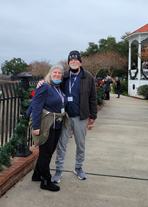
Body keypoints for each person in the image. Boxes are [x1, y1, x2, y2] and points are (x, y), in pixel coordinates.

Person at [38, 50, 97, 183]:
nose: (73, 62)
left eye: (76, 60)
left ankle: (78, 167)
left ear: (80, 62)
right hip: (64, 117)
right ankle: (59, 170)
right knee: (62, 144)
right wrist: (41, 82)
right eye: (71, 60)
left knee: (80, 144)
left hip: (81, 117)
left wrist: (93, 115)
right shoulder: (63, 76)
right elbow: (51, 82)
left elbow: (93, 98)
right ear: (68, 62)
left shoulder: (88, 77)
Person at [27, 65, 68, 192]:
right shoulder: (45, 86)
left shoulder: (59, 88)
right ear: (50, 74)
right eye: (54, 72)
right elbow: (36, 106)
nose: (57, 74)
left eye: (59, 73)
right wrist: (36, 127)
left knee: (49, 152)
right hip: (46, 125)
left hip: (57, 125)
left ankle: (36, 174)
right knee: (45, 153)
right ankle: (45, 180)